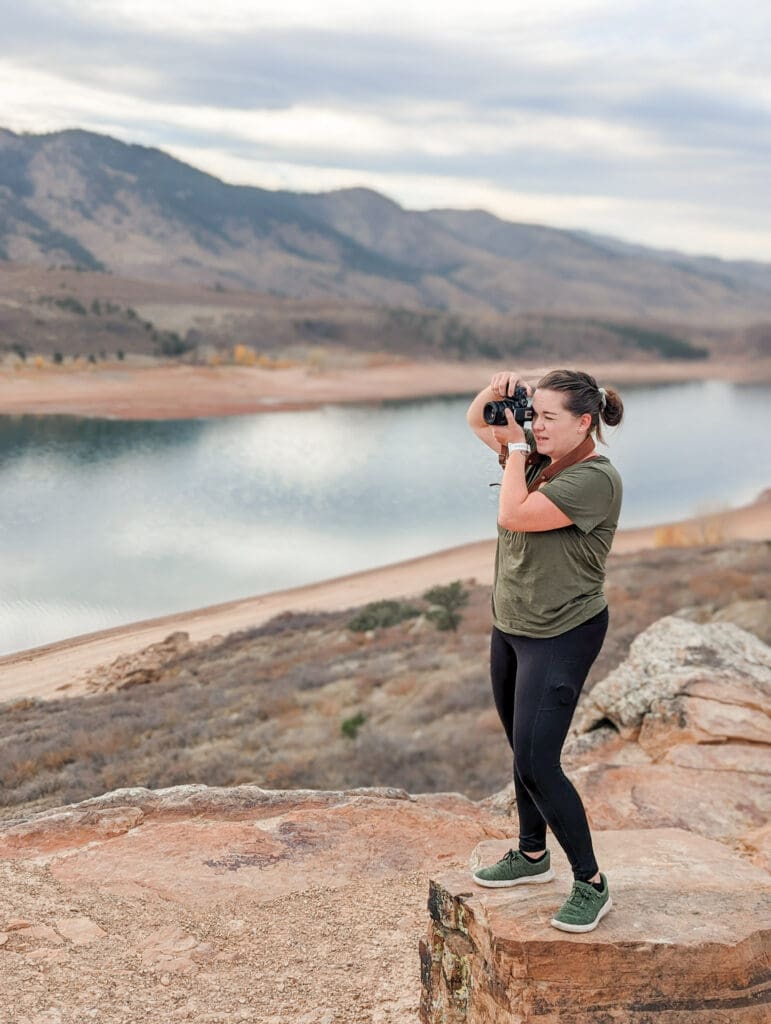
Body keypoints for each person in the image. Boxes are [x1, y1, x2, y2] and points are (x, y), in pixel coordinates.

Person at [465, 367, 624, 933]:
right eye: (536, 415)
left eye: (550, 418)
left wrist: (514, 453)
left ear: (586, 422)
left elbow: (514, 515)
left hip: (562, 632)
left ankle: (591, 883)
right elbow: (473, 418)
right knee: (520, 744)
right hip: (511, 625)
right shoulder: (533, 454)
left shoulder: (595, 478)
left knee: (538, 759)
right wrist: (503, 390)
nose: (538, 426)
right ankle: (532, 855)